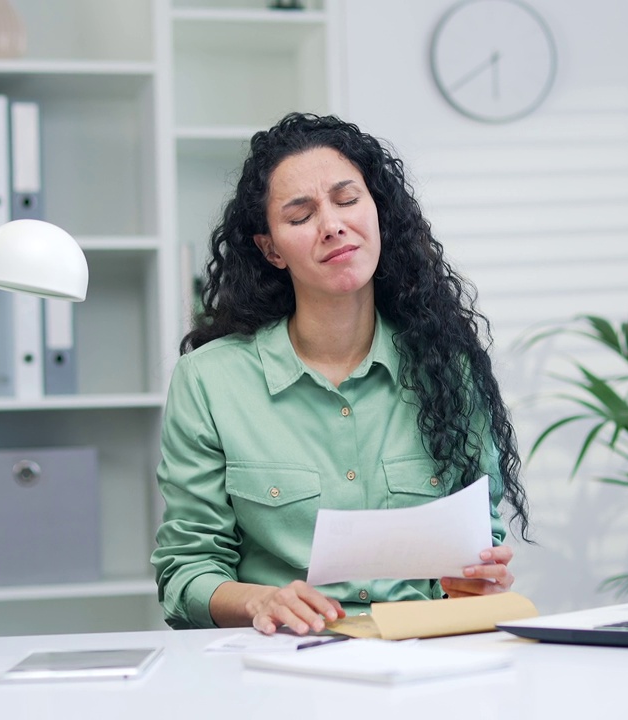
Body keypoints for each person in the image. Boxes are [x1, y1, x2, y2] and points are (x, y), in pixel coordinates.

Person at [151, 113, 531, 635]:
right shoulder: (208, 382)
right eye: (301, 215)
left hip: (420, 662)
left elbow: (477, 554)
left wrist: (476, 582)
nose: (332, 224)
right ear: (271, 249)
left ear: (378, 213)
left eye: (348, 200)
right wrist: (261, 601)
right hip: (283, 665)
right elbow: (185, 572)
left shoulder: (449, 370)